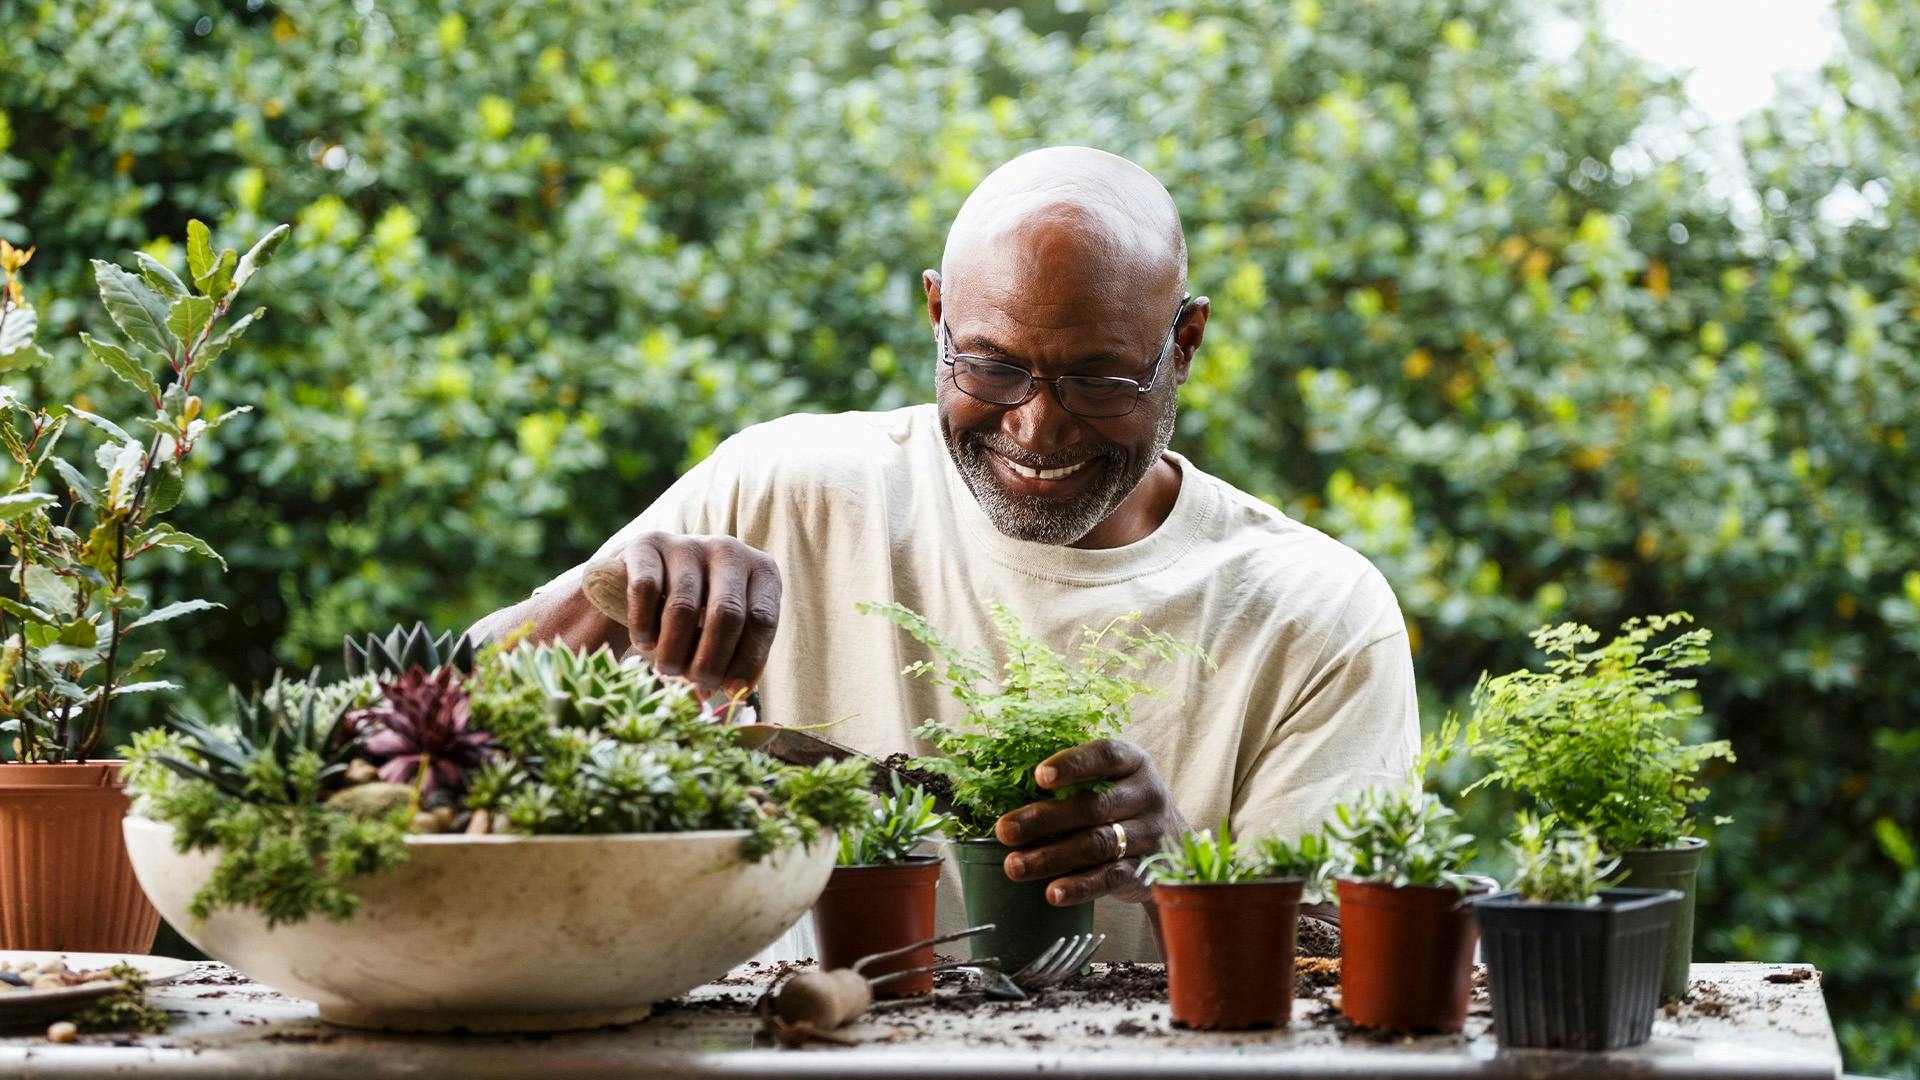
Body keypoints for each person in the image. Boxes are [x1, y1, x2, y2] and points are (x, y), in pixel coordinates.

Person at [471, 146, 1418, 960]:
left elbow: (1348, 979)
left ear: (1186, 343)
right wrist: (618, 603)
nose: (1037, 427)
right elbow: (438, 730)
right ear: (936, 315)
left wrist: (1176, 875)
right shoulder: (787, 487)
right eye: (991, 365)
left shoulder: (1318, 613)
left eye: (1099, 378)